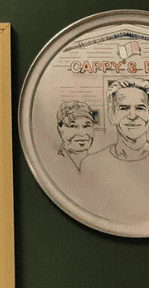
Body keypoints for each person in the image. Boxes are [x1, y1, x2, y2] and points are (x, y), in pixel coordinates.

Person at [80, 79, 149, 225]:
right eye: (124, 108)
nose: (132, 115)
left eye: (140, 108)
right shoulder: (91, 165)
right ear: (112, 115)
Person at [55, 101, 95, 171]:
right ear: (59, 129)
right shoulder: (54, 164)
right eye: (73, 126)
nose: (81, 133)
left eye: (86, 126)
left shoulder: (98, 162)